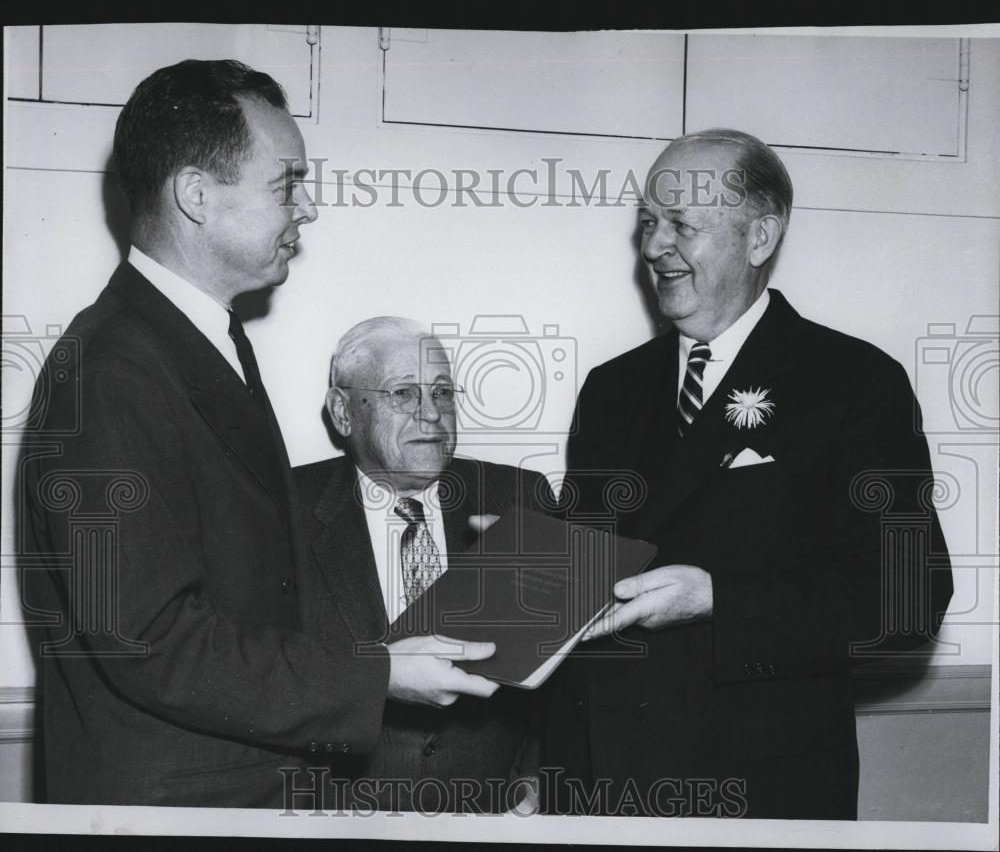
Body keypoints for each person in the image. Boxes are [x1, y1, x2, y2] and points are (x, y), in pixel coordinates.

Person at [20, 60, 495, 808]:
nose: (306, 208)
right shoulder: (113, 370)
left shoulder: (197, 343)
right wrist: (379, 673)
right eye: (286, 184)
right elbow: (152, 640)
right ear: (196, 195)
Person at [541, 128, 954, 819]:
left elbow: (909, 597)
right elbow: (592, 585)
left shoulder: (854, 382)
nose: (652, 248)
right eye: (648, 223)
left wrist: (718, 600)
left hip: (757, 792)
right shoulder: (611, 389)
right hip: (599, 784)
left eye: (681, 225)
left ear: (760, 237)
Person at [295, 317, 551, 813]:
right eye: (404, 393)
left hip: (494, 819)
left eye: (442, 392)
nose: (431, 414)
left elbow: (567, 673)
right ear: (343, 412)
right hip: (334, 820)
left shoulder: (520, 499)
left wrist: (537, 779)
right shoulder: (282, 510)